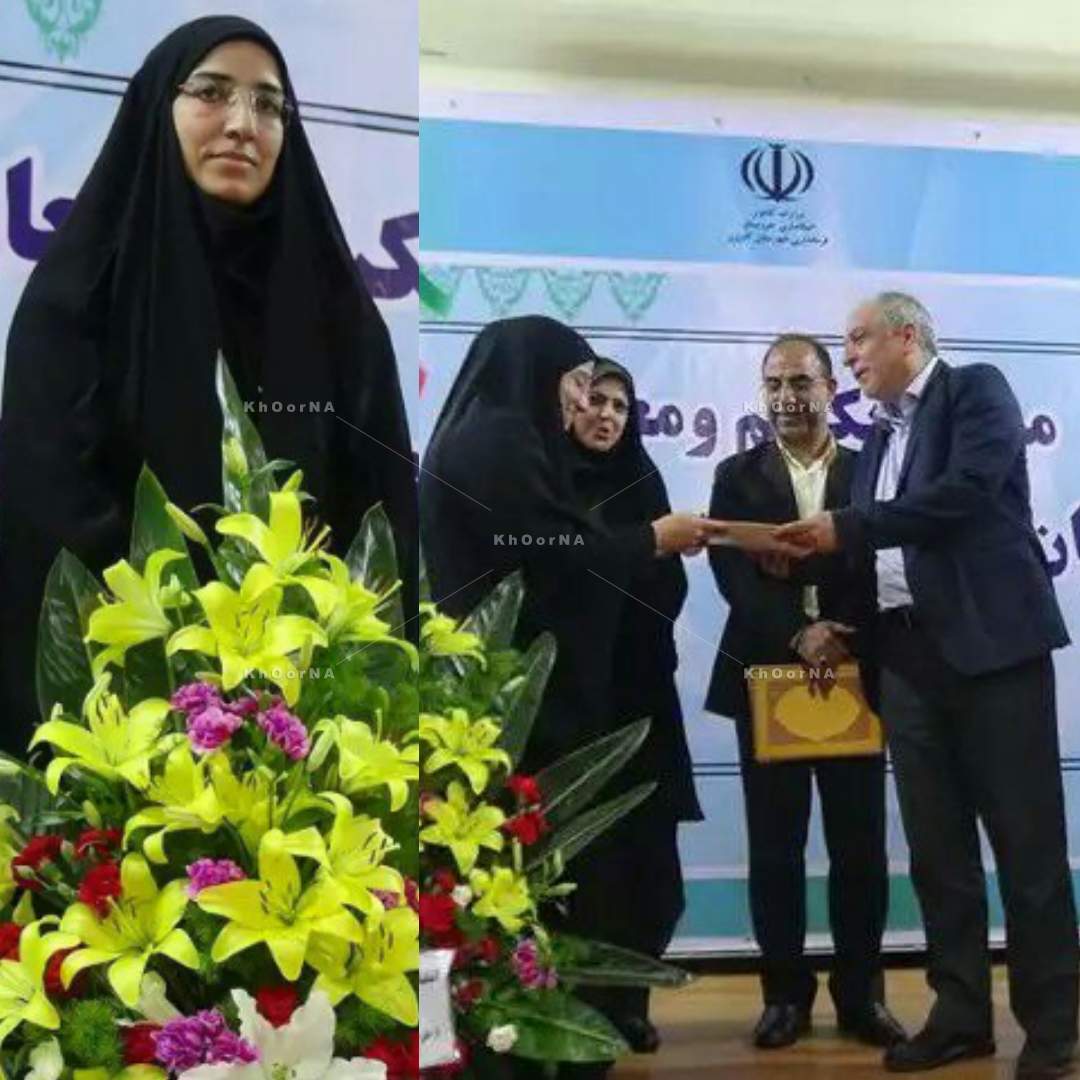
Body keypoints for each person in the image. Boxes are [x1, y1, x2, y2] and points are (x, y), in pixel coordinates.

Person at [0, 16, 416, 756]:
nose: (242, 125)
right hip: (125, 720)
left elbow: (379, 519)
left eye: (268, 104)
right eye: (212, 93)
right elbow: (48, 518)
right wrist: (180, 664)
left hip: (308, 724)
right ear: (158, 107)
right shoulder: (78, 302)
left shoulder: (341, 317)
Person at [778, 293, 1078, 1080]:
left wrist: (846, 526)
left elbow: (965, 495)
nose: (848, 357)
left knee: (1029, 852)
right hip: (907, 663)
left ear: (906, 335)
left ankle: (1052, 1028)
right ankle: (961, 1017)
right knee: (938, 857)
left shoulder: (976, 390)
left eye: (858, 340)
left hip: (994, 657)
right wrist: (813, 572)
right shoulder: (877, 436)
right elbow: (877, 553)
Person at [421, 316, 719, 1078]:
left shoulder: (494, 436)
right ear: (537, 370)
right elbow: (559, 558)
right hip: (514, 706)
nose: (583, 405)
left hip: (529, 699)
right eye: (577, 386)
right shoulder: (499, 444)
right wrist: (650, 540)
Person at [705, 333, 905, 1052]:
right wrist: (798, 630)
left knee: (860, 849)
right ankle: (783, 997)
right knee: (775, 848)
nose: (787, 397)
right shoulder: (735, 475)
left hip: (855, 676)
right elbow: (733, 576)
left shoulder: (869, 468)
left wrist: (840, 631)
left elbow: (885, 558)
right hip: (768, 677)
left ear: (830, 390)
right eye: (775, 384)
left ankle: (862, 997)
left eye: (801, 382)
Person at [559, 357, 703, 1054]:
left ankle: (630, 1002)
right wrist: (630, 558)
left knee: (646, 860)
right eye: (594, 400)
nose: (607, 415)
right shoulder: (542, 486)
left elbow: (668, 587)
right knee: (586, 864)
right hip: (571, 706)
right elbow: (557, 580)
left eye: (619, 405)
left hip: (640, 698)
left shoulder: (641, 480)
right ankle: (574, 1010)